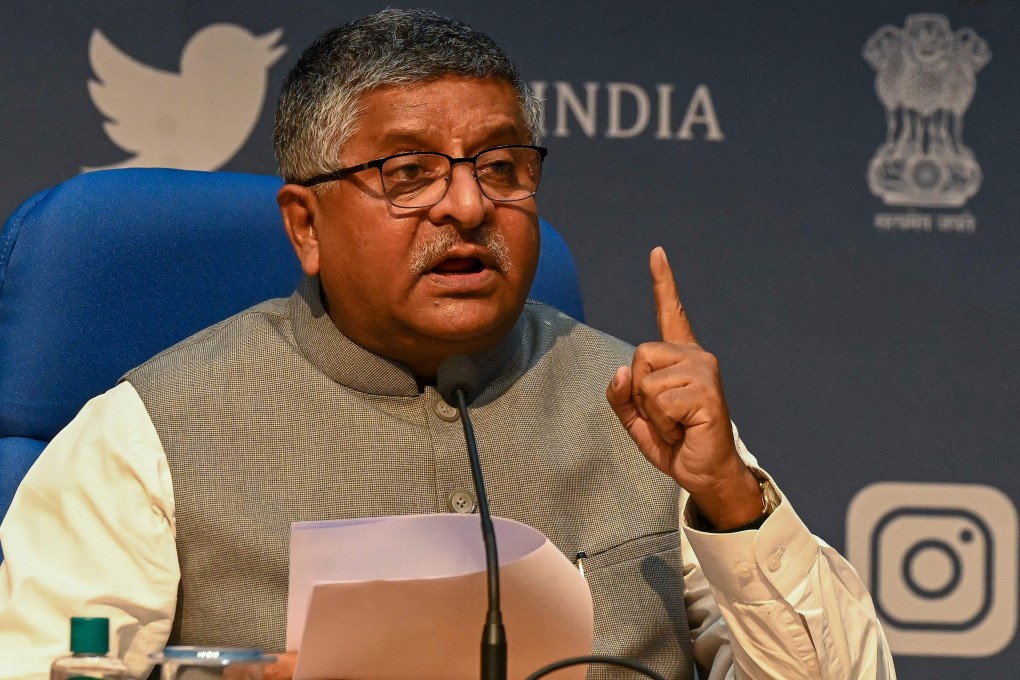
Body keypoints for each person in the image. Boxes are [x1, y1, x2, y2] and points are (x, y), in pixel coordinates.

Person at [0, 8, 895, 680]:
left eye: (502, 168)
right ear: (305, 224)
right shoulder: (144, 437)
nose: (468, 208)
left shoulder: (641, 408)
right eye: (408, 175)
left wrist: (732, 503)